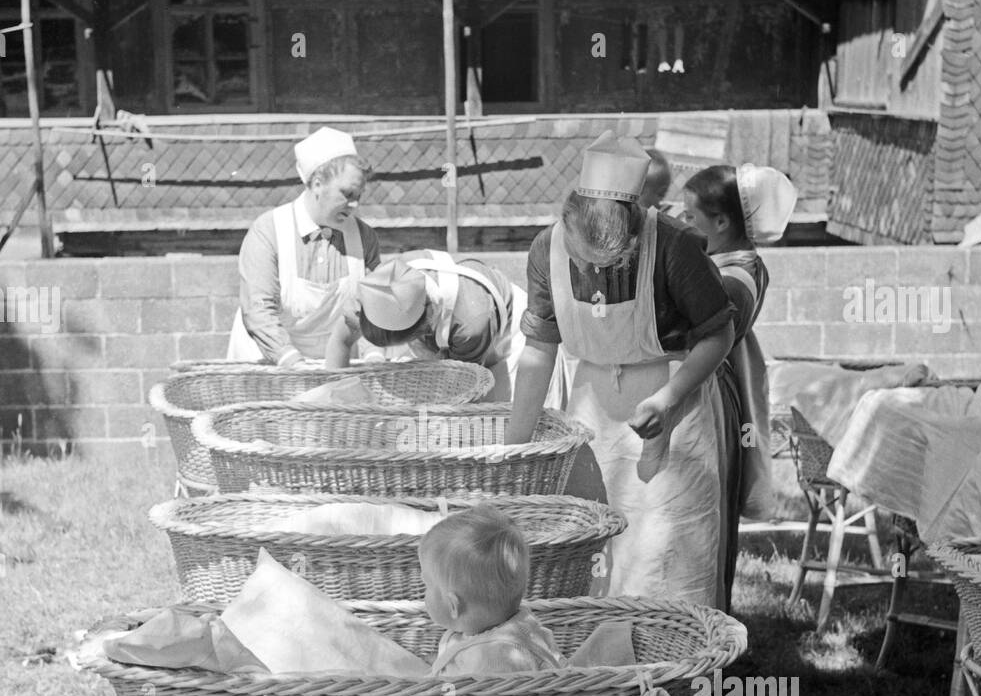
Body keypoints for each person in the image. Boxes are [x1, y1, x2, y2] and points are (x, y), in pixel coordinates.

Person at [505, 132, 736, 608]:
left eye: (609, 259)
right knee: (593, 553)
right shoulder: (545, 250)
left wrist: (668, 400)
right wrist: (515, 449)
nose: (591, 267)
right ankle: (600, 673)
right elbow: (538, 351)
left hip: (673, 409)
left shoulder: (675, 247)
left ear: (635, 223)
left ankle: (675, 671)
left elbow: (719, 334)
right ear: (568, 218)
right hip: (593, 416)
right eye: (583, 255)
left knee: (666, 554)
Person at [682, 163, 796, 611]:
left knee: (712, 523)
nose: (681, 221)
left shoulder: (738, 278)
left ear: (723, 223)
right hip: (708, 403)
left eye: (690, 217)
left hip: (719, 411)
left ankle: (711, 629)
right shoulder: (724, 262)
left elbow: (697, 327)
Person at [226, 126, 381, 365]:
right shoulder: (269, 231)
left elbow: (371, 308)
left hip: (331, 365)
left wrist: (374, 356)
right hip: (270, 364)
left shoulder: (363, 237)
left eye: (359, 196)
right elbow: (259, 311)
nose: (354, 205)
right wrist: (293, 364)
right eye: (348, 194)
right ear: (317, 184)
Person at [323, 253, 518, 401]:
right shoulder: (378, 291)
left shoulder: (470, 325)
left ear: (423, 331)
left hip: (505, 328)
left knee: (496, 417)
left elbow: (464, 390)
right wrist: (339, 395)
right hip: (453, 324)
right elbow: (340, 341)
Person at [419, 505, 565, 677]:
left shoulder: (492, 662)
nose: (424, 593)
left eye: (427, 585)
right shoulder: (519, 625)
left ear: (453, 606)